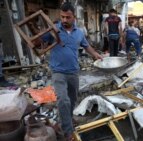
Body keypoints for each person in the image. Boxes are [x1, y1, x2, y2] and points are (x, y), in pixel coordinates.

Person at [40, 2, 102, 141]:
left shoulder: (79, 33)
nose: (64, 20)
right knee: (63, 100)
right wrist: (38, 37)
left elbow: (86, 46)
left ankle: (67, 120)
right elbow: (40, 42)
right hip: (58, 72)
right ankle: (68, 133)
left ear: (74, 17)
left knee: (72, 100)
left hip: (73, 72)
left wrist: (95, 55)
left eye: (68, 17)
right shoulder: (53, 30)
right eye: (62, 17)